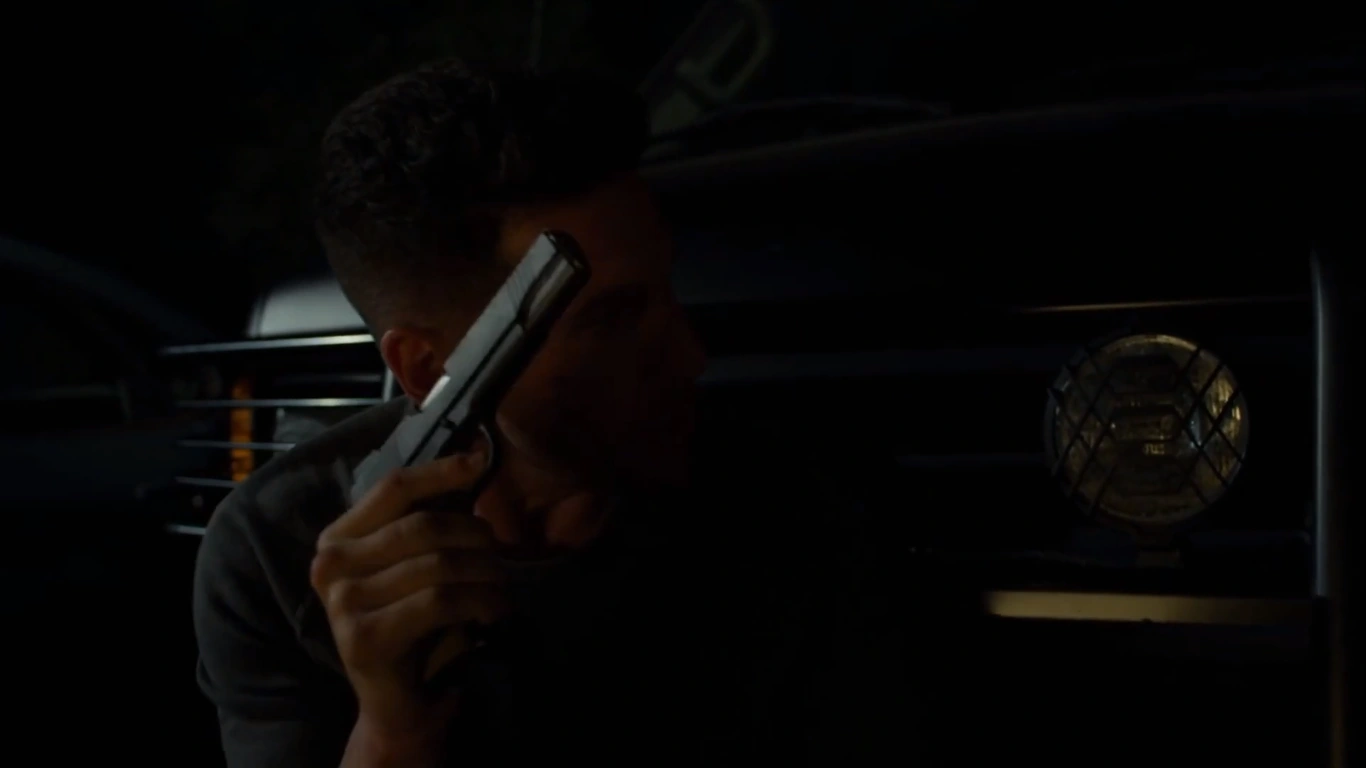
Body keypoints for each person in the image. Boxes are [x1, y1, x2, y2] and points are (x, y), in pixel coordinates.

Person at [193, 59, 908, 767]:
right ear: (428, 369)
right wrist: (395, 733)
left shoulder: (785, 512)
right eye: (613, 322)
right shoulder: (274, 556)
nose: (691, 356)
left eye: (668, 289)